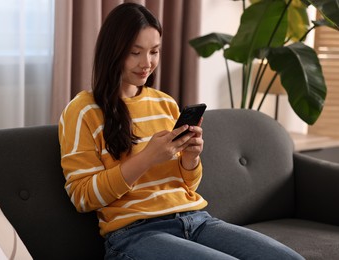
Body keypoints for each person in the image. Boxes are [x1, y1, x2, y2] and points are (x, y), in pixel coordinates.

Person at [58, 3, 304, 260]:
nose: (147, 63)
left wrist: (191, 159)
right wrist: (147, 157)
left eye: (154, 51)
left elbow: (185, 185)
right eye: (135, 52)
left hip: (196, 220)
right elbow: (82, 196)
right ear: (113, 52)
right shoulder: (83, 110)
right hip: (135, 234)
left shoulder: (165, 103)